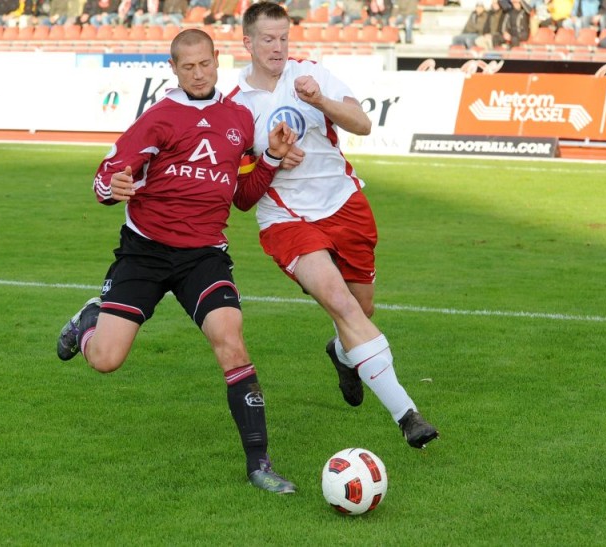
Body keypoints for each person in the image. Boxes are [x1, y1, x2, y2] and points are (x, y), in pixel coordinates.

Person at [56, 29, 298, 495]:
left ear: (216, 61)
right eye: (188, 67)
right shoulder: (158, 119)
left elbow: (244, 198)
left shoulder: (239, 120)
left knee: (231, 341)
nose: (199, 73)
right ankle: (89, 322)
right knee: (105, 360)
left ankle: (259, 464)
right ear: (174, 69)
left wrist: (268, 157)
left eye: (205, 64)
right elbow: (106, 178)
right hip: (145, 251)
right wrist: (113, 190)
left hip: (204, 255)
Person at [228, 1, 439, 450]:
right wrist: (270, 159)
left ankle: (343, 355)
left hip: (344, 204)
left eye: (284, 38)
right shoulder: (236, 108)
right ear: (247, 42)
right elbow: (242, 197)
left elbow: (362, 123)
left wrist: (319, 100)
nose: (278, 47)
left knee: (361, 312)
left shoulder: (311, 74)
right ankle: (407, 415)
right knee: (341, 304)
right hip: (286, 219)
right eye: (268, 39)